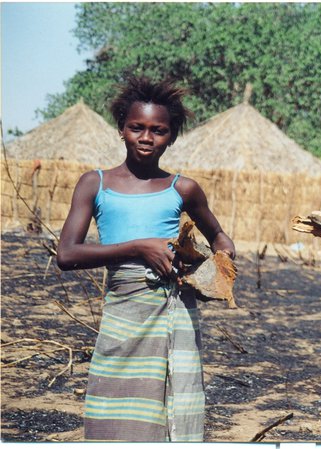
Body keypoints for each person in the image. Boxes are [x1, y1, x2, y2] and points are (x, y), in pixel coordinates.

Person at [57, 77, 235, 442]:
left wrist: (218, 259)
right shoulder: (95, 183)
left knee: (174, 397)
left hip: (174, 308)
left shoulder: (182, 188)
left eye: (159, 130)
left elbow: (220, 236)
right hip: (124, 310)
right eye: (136, 127)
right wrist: (139, 248)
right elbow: (67, 254)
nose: (146, 137)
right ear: (121, 128)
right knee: (115, 402)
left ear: (171, 137)